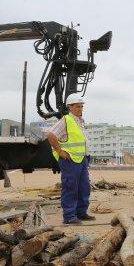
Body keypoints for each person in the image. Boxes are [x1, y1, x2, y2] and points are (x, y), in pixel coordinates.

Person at [46, 93, 95, 225]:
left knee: (84, 187)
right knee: (70, 187)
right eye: (77, 106)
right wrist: (59, 151)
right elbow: (51, 135)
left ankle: (81, 213)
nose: (80, 109)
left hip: (81, 159)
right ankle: (69, 216)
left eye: (81, 106)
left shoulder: (80, 121)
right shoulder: (66, 120)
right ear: (70, 107)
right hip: (70, 160)